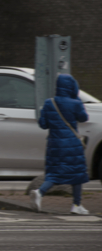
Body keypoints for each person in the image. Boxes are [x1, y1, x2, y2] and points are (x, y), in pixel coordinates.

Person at [30, 74, 89, 214]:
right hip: (72, 144)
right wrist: (77, 101)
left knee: (54, 173)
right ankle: (76, 205)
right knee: (77, 174)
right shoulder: (75, 103)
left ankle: (41, 192)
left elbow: (43, 124)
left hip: (54, 145)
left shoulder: (49, 103)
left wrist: (44, 112)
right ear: (71, 87)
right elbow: (84, 118)